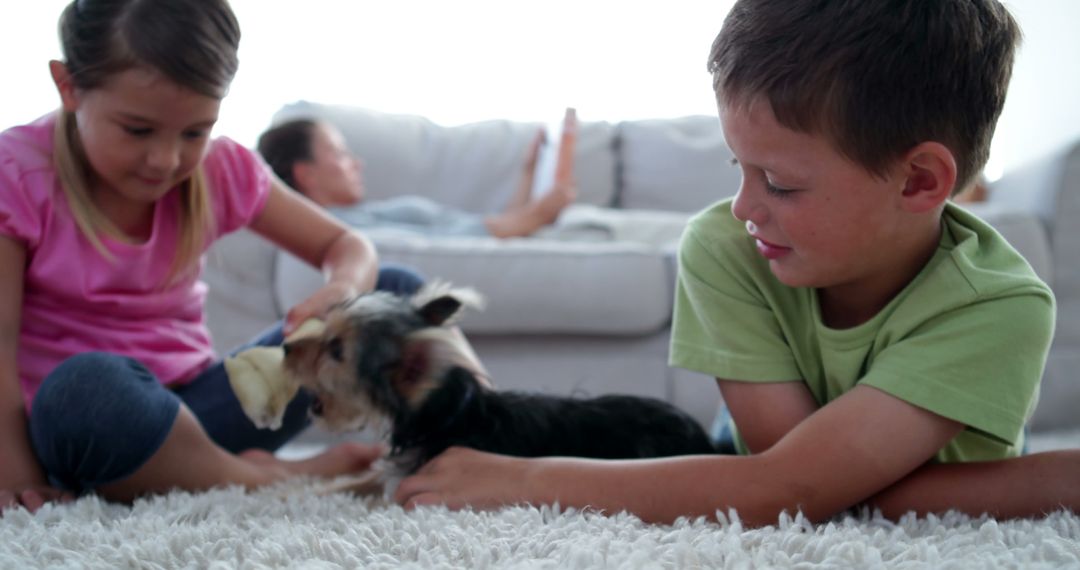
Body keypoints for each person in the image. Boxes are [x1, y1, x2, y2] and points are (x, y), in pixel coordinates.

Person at [391, 0, 1080, 526]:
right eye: (739, 169)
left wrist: (525, 479)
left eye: (779, 184)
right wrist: (1030, 485)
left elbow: (796, 490)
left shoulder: (999, 307)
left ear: (920, 182)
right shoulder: (727, 246)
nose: (745, 206)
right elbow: (792, 482)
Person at [0, 0, 416, 513]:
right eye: (137, 130)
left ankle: (473, 443)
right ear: (68, 87)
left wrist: (342, 292)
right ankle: (263, 478)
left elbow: (348, 245)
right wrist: (17, 479)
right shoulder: (15, 173)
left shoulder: (221, 170)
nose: (166, 160)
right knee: (88, 387)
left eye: (195, 132)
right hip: (83, 425)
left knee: (393, 293)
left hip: (207, 412)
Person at [255, 115, 577, 239]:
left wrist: (529, 172)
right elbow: (474, 238)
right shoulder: (346, 233)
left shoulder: (365, 216)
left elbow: (497, 231)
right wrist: (540, 212)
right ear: (306, 174)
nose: (357, 163)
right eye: (339, 153)